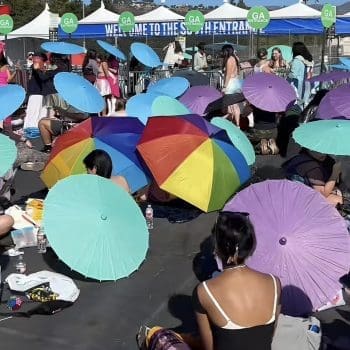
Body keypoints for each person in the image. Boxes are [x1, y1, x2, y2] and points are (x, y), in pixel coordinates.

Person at [192, 211, 281, 350]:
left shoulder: (204, 292)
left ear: (216, 248)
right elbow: (268, 336)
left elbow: (208, 347)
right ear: (250, 246)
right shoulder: (274, 283)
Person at [222, 44, 242, 127]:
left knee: (230, 106)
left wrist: (224, 87)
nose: (222, 53)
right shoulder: (236, 58)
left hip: (230, 83)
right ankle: (237, 125)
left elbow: (228, 75)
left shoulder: (230, 60)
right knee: (235, 105)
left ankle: (231, 122)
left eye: (223, 51)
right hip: (236, 82)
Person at [288, 42, 314, 106]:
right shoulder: (310, 60)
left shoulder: (297, 60)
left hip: (299, 86)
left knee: (298, 105)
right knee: (306, 103)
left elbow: (293, 74)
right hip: (308, 85)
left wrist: (287, 74)